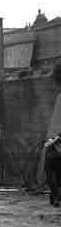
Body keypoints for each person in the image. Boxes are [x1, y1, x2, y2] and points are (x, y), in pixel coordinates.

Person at [43, 63, 61, 207]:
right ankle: (55, 196)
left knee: (50, 167)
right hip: (56, 140)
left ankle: (56, 196)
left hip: (57, 142)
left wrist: (55, 139)